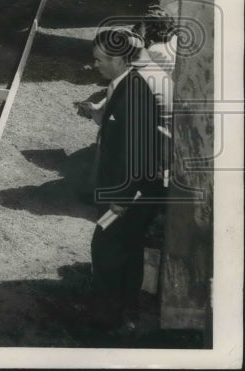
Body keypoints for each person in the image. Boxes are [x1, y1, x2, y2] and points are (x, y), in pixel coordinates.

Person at [81, 28, 165, 331]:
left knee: (105, 247)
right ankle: (125, 309)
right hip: (129, 191)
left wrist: (120, 200)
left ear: (119, 59)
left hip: (127, 194)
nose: (96, 65)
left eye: (100, 60)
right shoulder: (125, 84)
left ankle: (105, 318)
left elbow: (140, 156)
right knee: (128, 248)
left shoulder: (137, 94)